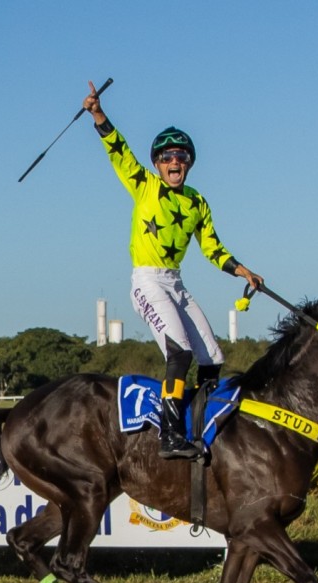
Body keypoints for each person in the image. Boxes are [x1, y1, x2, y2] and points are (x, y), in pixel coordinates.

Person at [82, 80, 262, 460]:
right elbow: (120, 152)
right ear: (157, 164)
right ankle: (169, 435)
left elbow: (212, 248)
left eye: (180, 156)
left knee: (212, 357)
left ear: (189, 162)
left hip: (175, 283)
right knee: (179, 352)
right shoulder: (144, 185)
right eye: (166, 157)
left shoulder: (197, 202)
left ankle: (200, 424)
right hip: (147, 280)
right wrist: (98, 115)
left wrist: (242, 270)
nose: (173, 162)